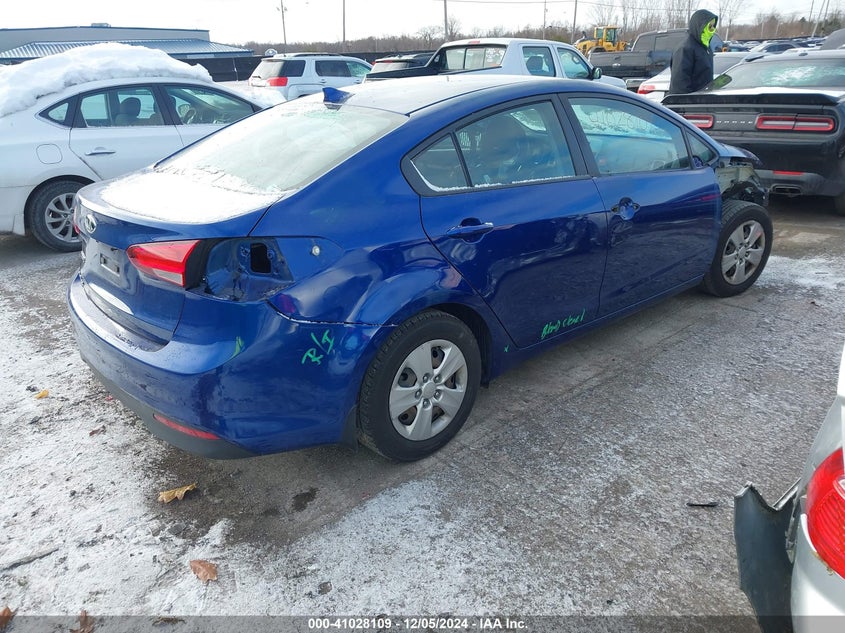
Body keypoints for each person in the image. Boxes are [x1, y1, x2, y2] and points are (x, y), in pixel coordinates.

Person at [668, 9, 718, 95]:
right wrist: (689, 104)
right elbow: (680, 85)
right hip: (689, 104)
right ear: (700, 26)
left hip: (704, 100)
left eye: (714, 26)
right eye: (710, 26)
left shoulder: (705, 48)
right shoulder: (685, 48)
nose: (713, 29)